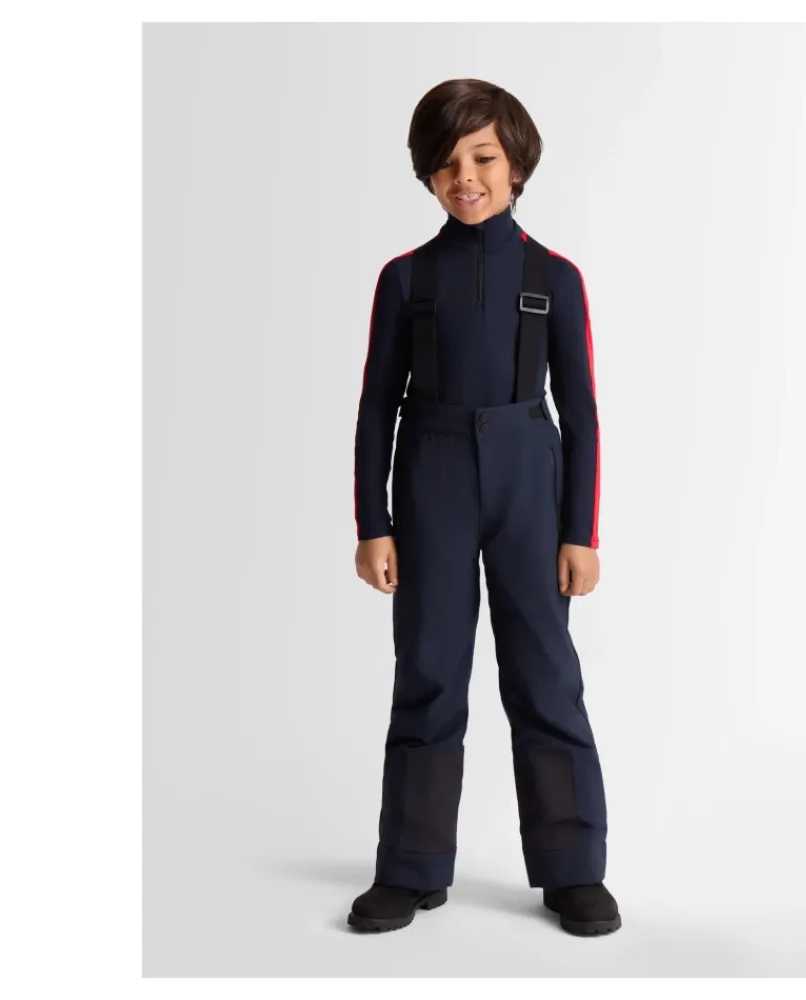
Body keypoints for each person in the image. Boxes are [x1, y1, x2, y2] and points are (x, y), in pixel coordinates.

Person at [348, 79, 620, 937]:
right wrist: (372, 522)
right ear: (427, 175)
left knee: (545, 675)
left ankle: (573, 869)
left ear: (517, 164)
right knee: (428, 673)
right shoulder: (405, 279)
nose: (464, 177)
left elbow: (581, 414)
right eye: (445, 163)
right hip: (430, 476)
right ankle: (411, 868)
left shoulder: (556, 278)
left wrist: (579, 532)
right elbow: (374, 408)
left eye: (483, 158)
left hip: (527, 479)